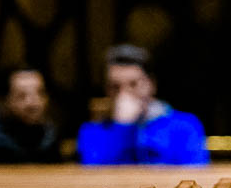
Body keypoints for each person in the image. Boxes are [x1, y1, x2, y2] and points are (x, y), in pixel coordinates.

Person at [78, 44, 208, 165]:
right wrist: (122, 128)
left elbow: (194, 175)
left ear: (151, 84)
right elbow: (95, 176)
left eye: (133, 84)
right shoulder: (92, 132)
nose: (124, 94)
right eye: (115, 87)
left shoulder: (185, 126)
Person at [0, 67, 62, 163]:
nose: (33, 103)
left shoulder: (48, 134)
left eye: (40, 93)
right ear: (4, 102)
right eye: (21, 96)